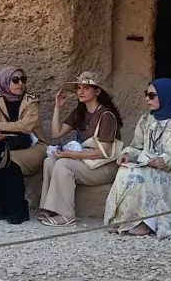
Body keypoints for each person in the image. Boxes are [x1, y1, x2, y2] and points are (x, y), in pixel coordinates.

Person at [104, 79, 171, 238]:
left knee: (141, 176)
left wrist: (165, 162)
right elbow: (137, 146)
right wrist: (128, 154)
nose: (147, 99)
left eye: (152, 95)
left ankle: (146, 223)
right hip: (149, 168)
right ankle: (125, 220)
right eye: (146, 94)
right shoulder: (146, 119)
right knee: (125, 172)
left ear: (168, 96)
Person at [39, 71, 123, 227]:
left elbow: (102, 152)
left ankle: (66, 215)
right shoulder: (80, 112)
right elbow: (56, 133)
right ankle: (50, 208)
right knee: (50, 161)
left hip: (104, 166)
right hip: (87, 162)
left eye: (86, 88)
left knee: (63, 164)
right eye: (79, 87)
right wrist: (57, 107)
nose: (81, 91)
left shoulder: (106, 116)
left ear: (97, 91)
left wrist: (71, 155)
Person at [0, 66, 44, 225]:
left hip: (33, 147)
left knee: (9, 163)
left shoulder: (31, 100)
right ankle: (2, 205)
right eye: (15, 80)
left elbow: (26, 126)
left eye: (23, 79)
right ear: (4, 82)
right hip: (8, 145)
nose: (20, 84)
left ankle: (19, 210)